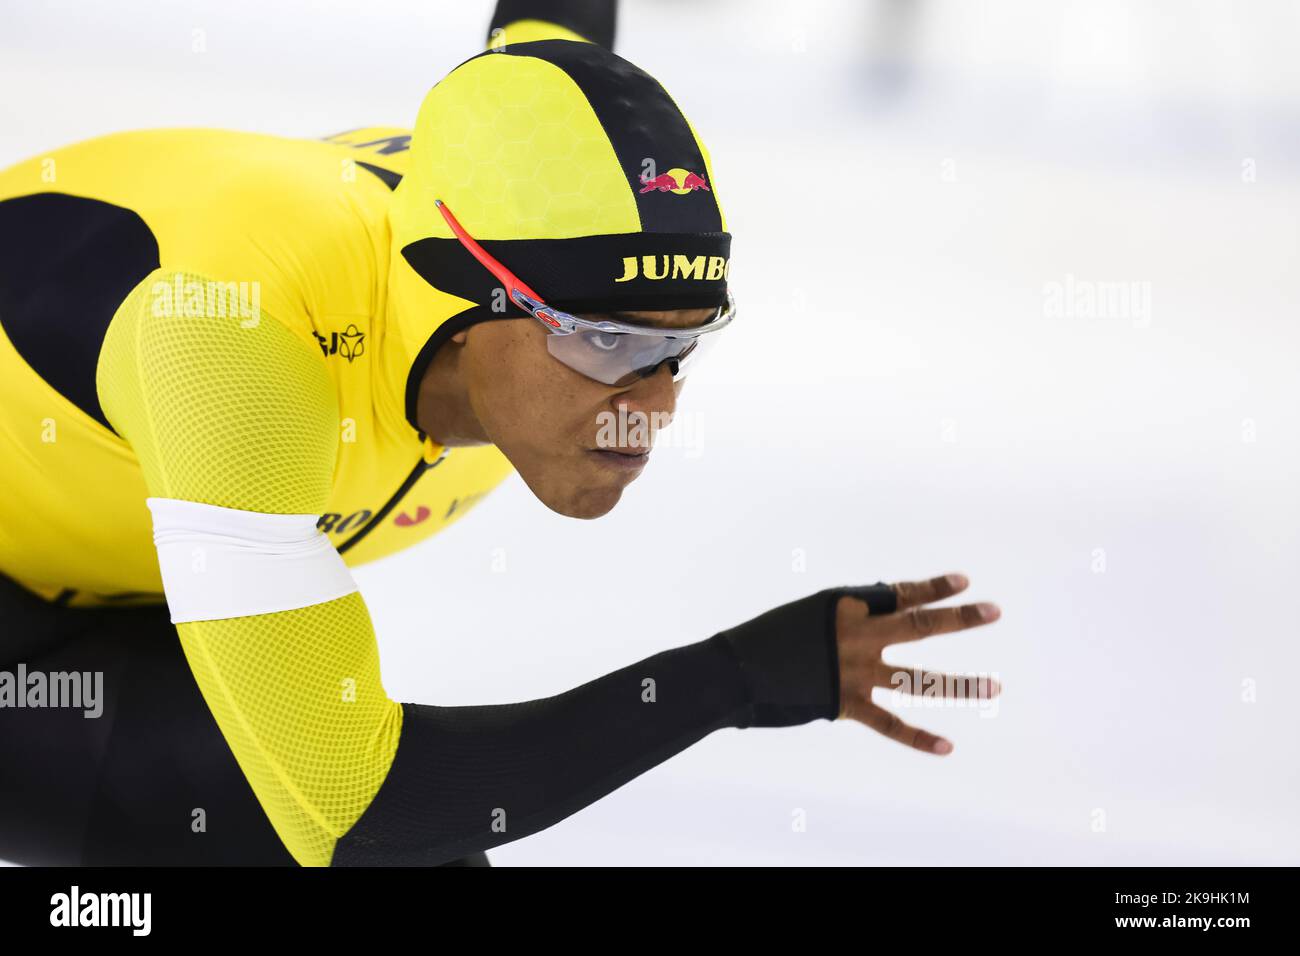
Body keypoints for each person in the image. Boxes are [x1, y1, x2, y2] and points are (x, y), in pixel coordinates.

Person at [0, 0, 1001, 867]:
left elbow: (554, 38)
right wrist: (727, 678)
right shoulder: (234, 342)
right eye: (605, 342)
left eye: (681, 347)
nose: (647, 405)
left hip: (101, 582)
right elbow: (365, 814)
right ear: (470, 290)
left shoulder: (520, 161)